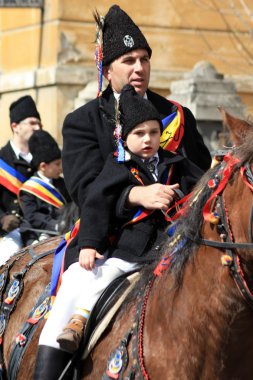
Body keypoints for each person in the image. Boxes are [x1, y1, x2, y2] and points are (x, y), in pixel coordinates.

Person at [33, 85, 204, 378]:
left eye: (153, 132)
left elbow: (204, 183)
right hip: (129, 249)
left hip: (170, 247)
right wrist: (88, 244)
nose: (148, 139)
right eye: (139, 134)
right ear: (124, 137)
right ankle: (77, 324)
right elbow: (96, 206)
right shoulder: (117, 168)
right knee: (98, 277)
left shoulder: (176, 163)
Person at [61, 4, 211, 270]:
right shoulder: (83, 122)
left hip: (179, 237)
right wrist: (136, 195)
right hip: (110, 239)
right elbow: (86, 192)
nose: (139, 68)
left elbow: (199, 176)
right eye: (128, 61)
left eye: (144, 59)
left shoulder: (177, 115)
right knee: (77, 297)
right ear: (107, 71)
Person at [0, 95, 42, 262]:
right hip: (10, 232)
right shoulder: (2, 160)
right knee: (6, 256)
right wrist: (2, 219)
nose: (38, 128)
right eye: (32, 123)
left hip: (41, 228)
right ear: (15, 126)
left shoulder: (43, 159)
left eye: (39, 123)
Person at [19, 130, 71, 246]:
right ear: (43, 166)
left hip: (63, 231)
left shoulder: (62, 183)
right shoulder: (28, 189)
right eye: (57, 164)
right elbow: (32, 216)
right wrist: (55, 225)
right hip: (37, 234)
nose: (61, 168)